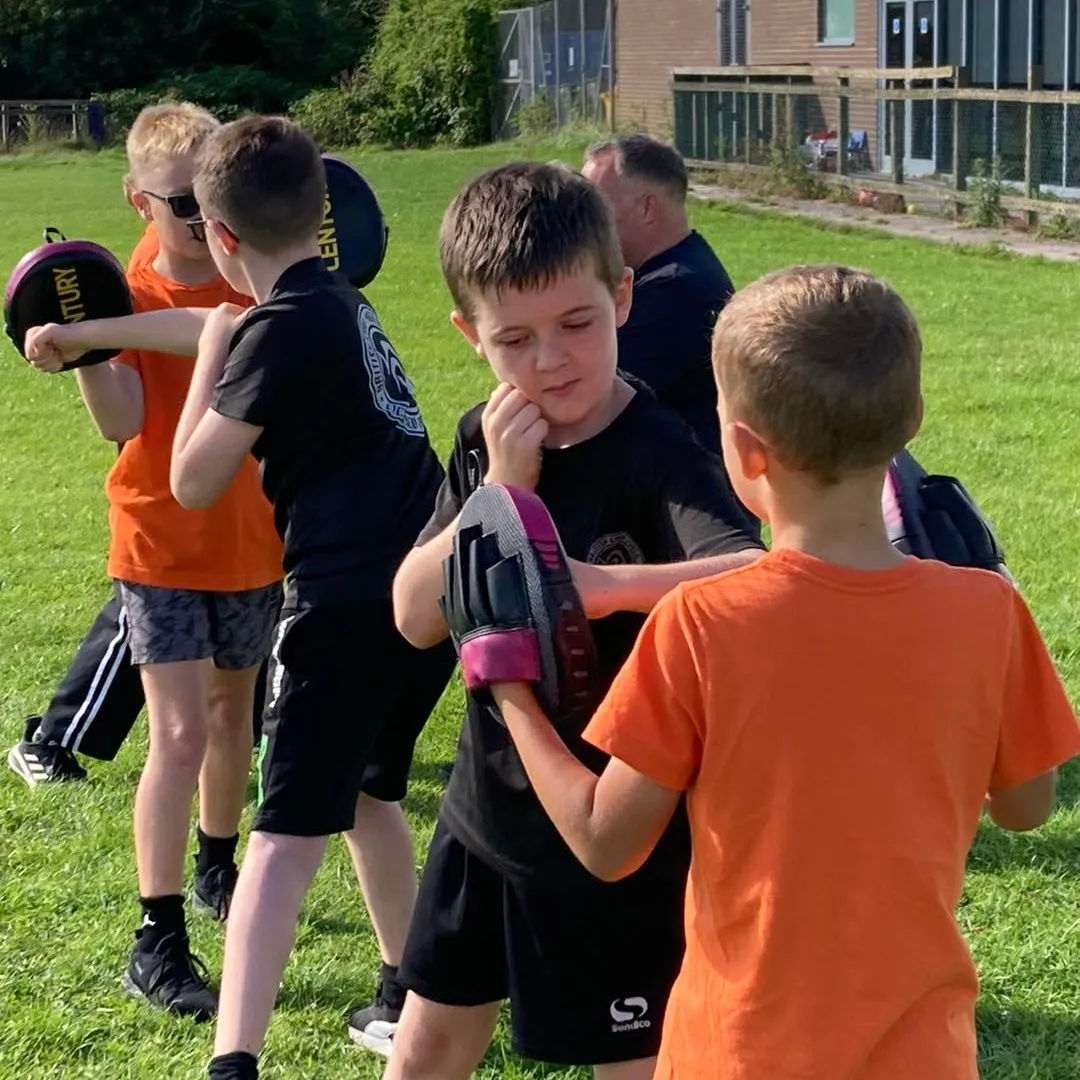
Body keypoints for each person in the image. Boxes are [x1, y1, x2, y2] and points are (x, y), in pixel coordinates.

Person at [473, 265, 1080, 1080]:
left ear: (744, 449)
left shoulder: (701, 622)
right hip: (926, 1056)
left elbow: (604, 842)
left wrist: (507, 683)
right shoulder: (989, 613)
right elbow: (1028, 806)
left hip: (742, 1053)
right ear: (912, 421)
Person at [384, 162, 763, 1080]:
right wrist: (503, 494)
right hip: (487, 812)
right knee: (427, 1040)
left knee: (630, 1064)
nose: (550, 360)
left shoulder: (659, 447)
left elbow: (757, 575)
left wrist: (605, 586)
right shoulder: (488, 438)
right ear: (469, 336)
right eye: (515, 338)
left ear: (623, 296)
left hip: (617, 833)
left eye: (577, 325)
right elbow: (412, 617)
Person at [156, 115, 453, 1080]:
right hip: (425, 597)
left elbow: (193, 481)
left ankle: (232, 1060)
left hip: (343, 603)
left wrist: (210, 346)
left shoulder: (275, 326)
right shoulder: (342, 302)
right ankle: (404, 989)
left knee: (281, 840)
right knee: (370, 793)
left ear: (220, 236)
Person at [24, 103, 285, 1015]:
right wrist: (80, 341)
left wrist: (94, 337)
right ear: (138, 199)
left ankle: (218, 864)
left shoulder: (249, 270)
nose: (205, 219)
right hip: (159, 541)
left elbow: (223, 334)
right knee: (176, 734)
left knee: (231, 720)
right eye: (183, 204)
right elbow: (122, 423)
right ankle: (158, 936)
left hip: (255, 533)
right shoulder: (115, 292)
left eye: (213, 197)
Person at [582, 134, 735, 453]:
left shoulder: (675, 290)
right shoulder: (682, 268)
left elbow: (580, 397)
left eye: (594, 208)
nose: (583, 224)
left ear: (647, 208)